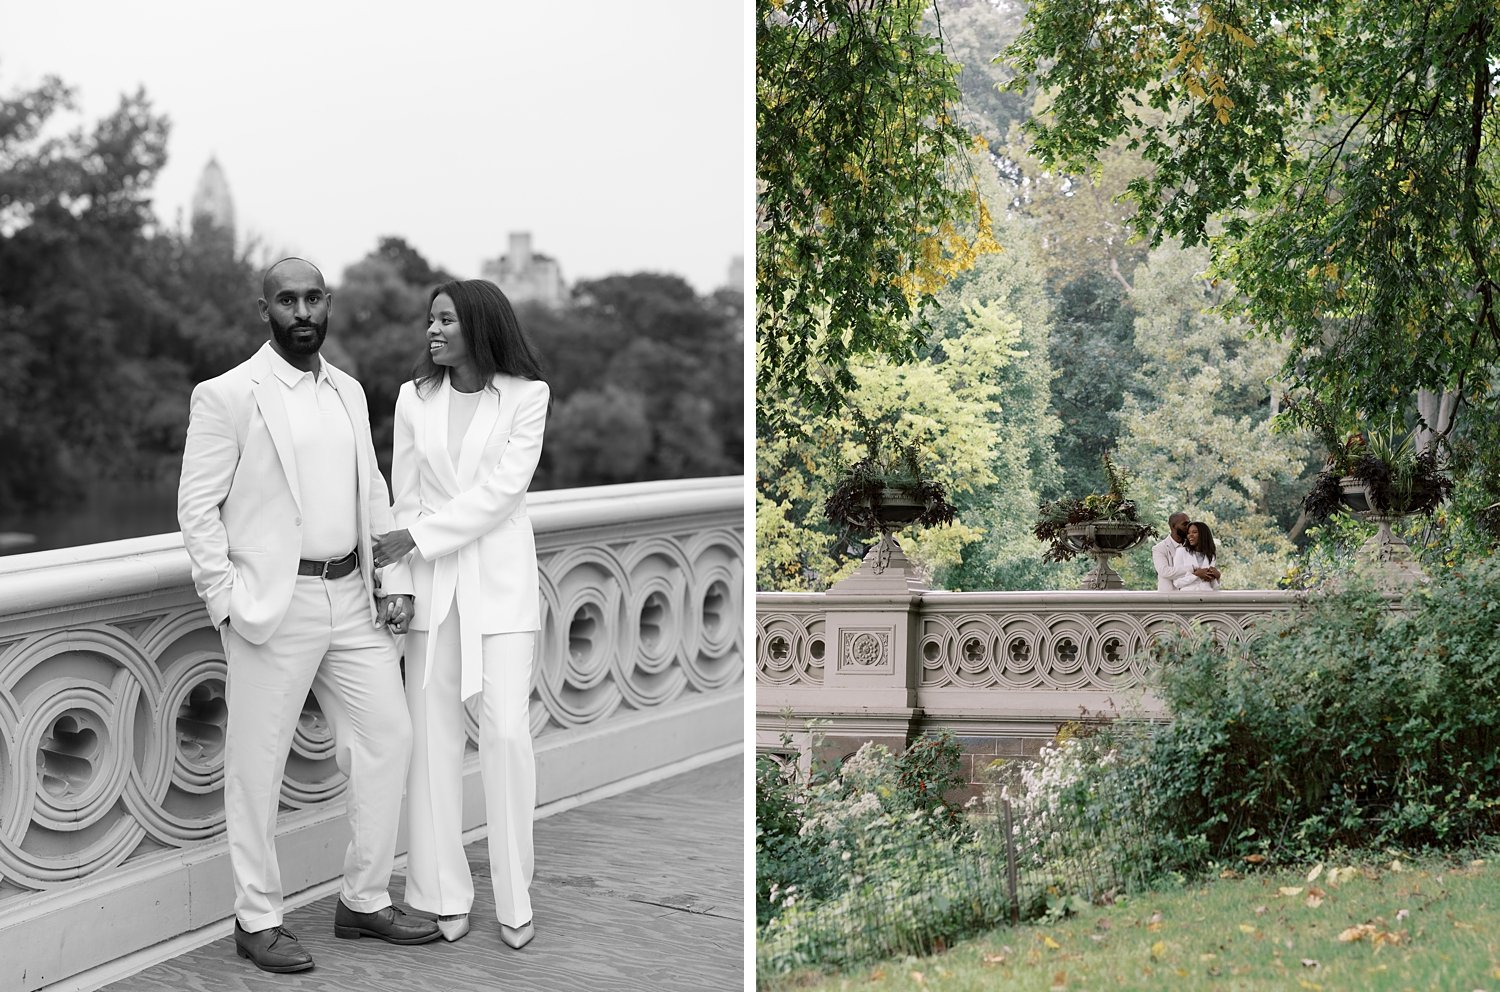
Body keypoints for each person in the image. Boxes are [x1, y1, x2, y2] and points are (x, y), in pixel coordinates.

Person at [178, 257, 440, 974]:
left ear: (329, 305)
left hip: (354, 598)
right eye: (287, 299)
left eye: (313, 298)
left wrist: (392, 579)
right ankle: (257, 919)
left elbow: (374, 490)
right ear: (264, 309)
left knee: (389, 737)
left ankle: (362, 899)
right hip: (273, 604)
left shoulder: (350, 392)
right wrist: (225, 603)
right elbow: (196, 509)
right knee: (256, 770)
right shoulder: (229, 395)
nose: (302, 310)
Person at [373, 279, 550, 949]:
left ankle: (514, 893)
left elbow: (504, 493)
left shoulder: (528, 397)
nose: (433, 331)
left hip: (501, 585)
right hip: (432, 587)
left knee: (505, 732)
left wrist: (417, 538)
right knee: (433, 741)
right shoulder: (413, 401)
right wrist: (398, 578)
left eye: (445, 319)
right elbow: (403, 499)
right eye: (430, 320)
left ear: (479, 325)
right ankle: (441, 891)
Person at [1153, 511, 1220, 591]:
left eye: (1189, 523)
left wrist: (1217, 576)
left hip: (1200, 597)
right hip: (1170, 596)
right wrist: (1193, 570)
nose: (1188, 527)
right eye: (1185, 524)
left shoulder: (1197, 549)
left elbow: (1209, 581)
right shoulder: (1160, 548)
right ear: (1173, 527)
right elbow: (1165, 571)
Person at [1171, 521, 1222, 591]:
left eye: (1194, 532)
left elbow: (1213, 586)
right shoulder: (1181, 552)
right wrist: (1195, 575)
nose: (1190, 535)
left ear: (1203, 535)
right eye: (1188, 533)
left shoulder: (1211, 555)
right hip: (1188, 598)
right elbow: (1177, 583)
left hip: (1207, 597)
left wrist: (1217, 577)